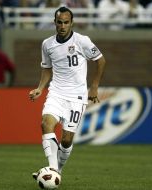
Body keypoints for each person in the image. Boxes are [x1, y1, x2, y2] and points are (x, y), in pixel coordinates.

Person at [29, 6, 106, 181]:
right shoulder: (47, 44)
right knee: (46, 124)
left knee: (66, 140)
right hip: (56, 92)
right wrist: (40, 88)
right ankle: (53, 170)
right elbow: (47, 68)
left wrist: (94, 87)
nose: (62, 26)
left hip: (77, 97)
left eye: (66, 22)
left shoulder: (82, 41)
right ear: (54, 23)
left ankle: (58, 170)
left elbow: (101, 61)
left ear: (71, 23)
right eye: (59, 22)